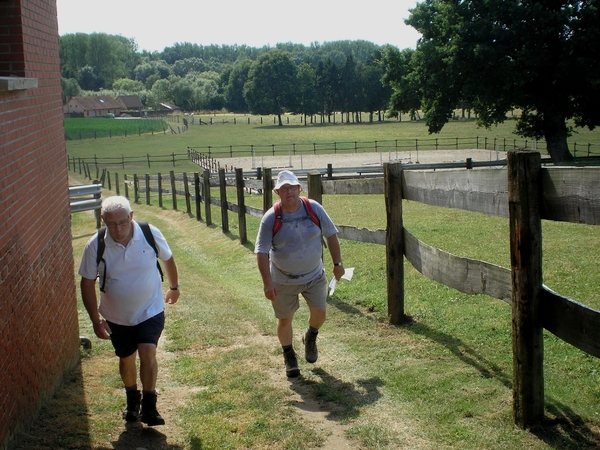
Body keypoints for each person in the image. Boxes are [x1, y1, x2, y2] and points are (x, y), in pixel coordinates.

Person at [79, 196, 180, 426]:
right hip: (116, 316)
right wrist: (96, 319)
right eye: (112, 224)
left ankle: (150, 407)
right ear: (103, 220)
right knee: (126, 359)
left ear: (131, 216)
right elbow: (86, 282)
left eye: (123, 222)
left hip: (150, 310)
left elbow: (168, 258)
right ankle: (132, 400)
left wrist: (174, 288)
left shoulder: (148, 233)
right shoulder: (96, 245)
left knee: (147, 351)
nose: (118, 229)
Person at [255, 170, 344, 377]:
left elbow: (331, 235)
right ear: (278, 192)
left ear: (299, 189)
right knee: (285, 320)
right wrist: (267, 282)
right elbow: (261, 251)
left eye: (292, 187)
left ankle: (310, 336)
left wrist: (338, 263)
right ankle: (289, 356)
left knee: (320, 313)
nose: (289, 192)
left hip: (314, 276)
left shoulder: (314, 209)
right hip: (282, 280)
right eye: (284, 188)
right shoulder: (271, 217)